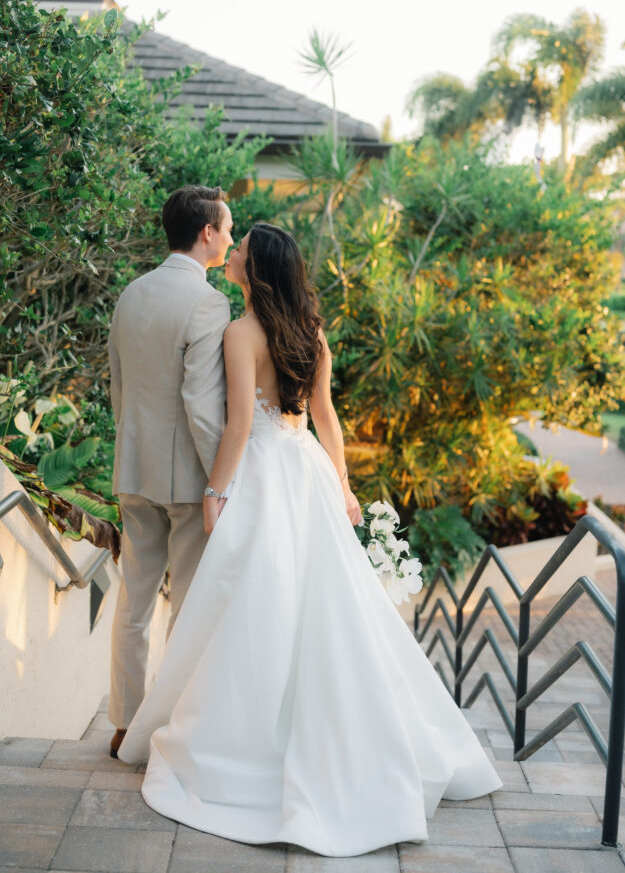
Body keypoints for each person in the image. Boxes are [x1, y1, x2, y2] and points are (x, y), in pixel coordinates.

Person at [117, 223, 502, 856]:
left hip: (266, 475)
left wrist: (215, 494)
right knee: (325, 604)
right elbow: (326, 418)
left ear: (257, 268)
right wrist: (344, 487)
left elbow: (239, 427)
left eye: (240, 251)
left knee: (262, 603)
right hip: (309, 471)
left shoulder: (242, 334)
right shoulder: (311, 332)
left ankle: (249, 736)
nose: (232, 253)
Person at [107, 185, 233, 759]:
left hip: (133, 470)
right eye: (227, 229)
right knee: (185, 603)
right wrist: (220, 482)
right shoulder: (208, 304)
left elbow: (119, 388)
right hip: (185, 479)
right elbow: (202, 405)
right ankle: (170, 728)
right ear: (206, 233)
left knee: (133, 600)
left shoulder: (131, 294)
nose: (230, 239)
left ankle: (122, 723)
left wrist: (129, 452)